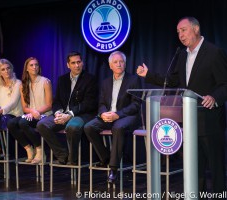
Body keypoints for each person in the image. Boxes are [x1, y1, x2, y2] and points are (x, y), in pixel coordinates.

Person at [136, 16, 227, 195]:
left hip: (210, 121)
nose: (180, 35)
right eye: (178, 32)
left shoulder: (214, 52)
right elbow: (172, 81)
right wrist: (149, 75)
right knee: (195, 170)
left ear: (196, 29)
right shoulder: (182, 54)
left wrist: (214, 97)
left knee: (216, 171)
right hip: (189, 121)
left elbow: (224, 83)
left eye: (183, 30)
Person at [84, 51, 142, 183]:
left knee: (118, 128)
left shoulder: (133, 80)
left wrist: (118, 115)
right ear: (110, 66)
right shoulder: (105, 82)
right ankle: (106, 158)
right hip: (109, 116)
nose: (119, 64)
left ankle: (113, 168)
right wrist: (103, 113)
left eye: (121, 61)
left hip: (127, 116)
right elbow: (102, 103)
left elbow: (136, 105)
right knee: (89, 127)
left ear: (125, 63)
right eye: (115, 62)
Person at [36, 51, 98, 165]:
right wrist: (58, 113)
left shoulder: (90, 79)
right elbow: (57, 100)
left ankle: (72, 159)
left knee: (72, 127)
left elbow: (89, 103)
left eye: (79, 62)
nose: (77, 65)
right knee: (42, 124)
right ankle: (62, 154)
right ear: (68, 65)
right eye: (73, 63)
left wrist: (69, 114)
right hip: (63, 114)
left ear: (82, 63)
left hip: (81, 114)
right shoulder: (62, 79)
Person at [7, 57, 52, 164]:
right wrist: (32, 112)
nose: (34, 67)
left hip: (44, 114)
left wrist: (37, 112)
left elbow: (49, 105)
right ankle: (28, 148)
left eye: (36, 65)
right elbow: (24, 107)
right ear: (26, 68)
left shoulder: (45, 82)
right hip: (31, 114)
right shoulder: (23, 85)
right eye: (31, 65)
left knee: (23, 123)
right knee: (11, 123)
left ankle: (40, 150)